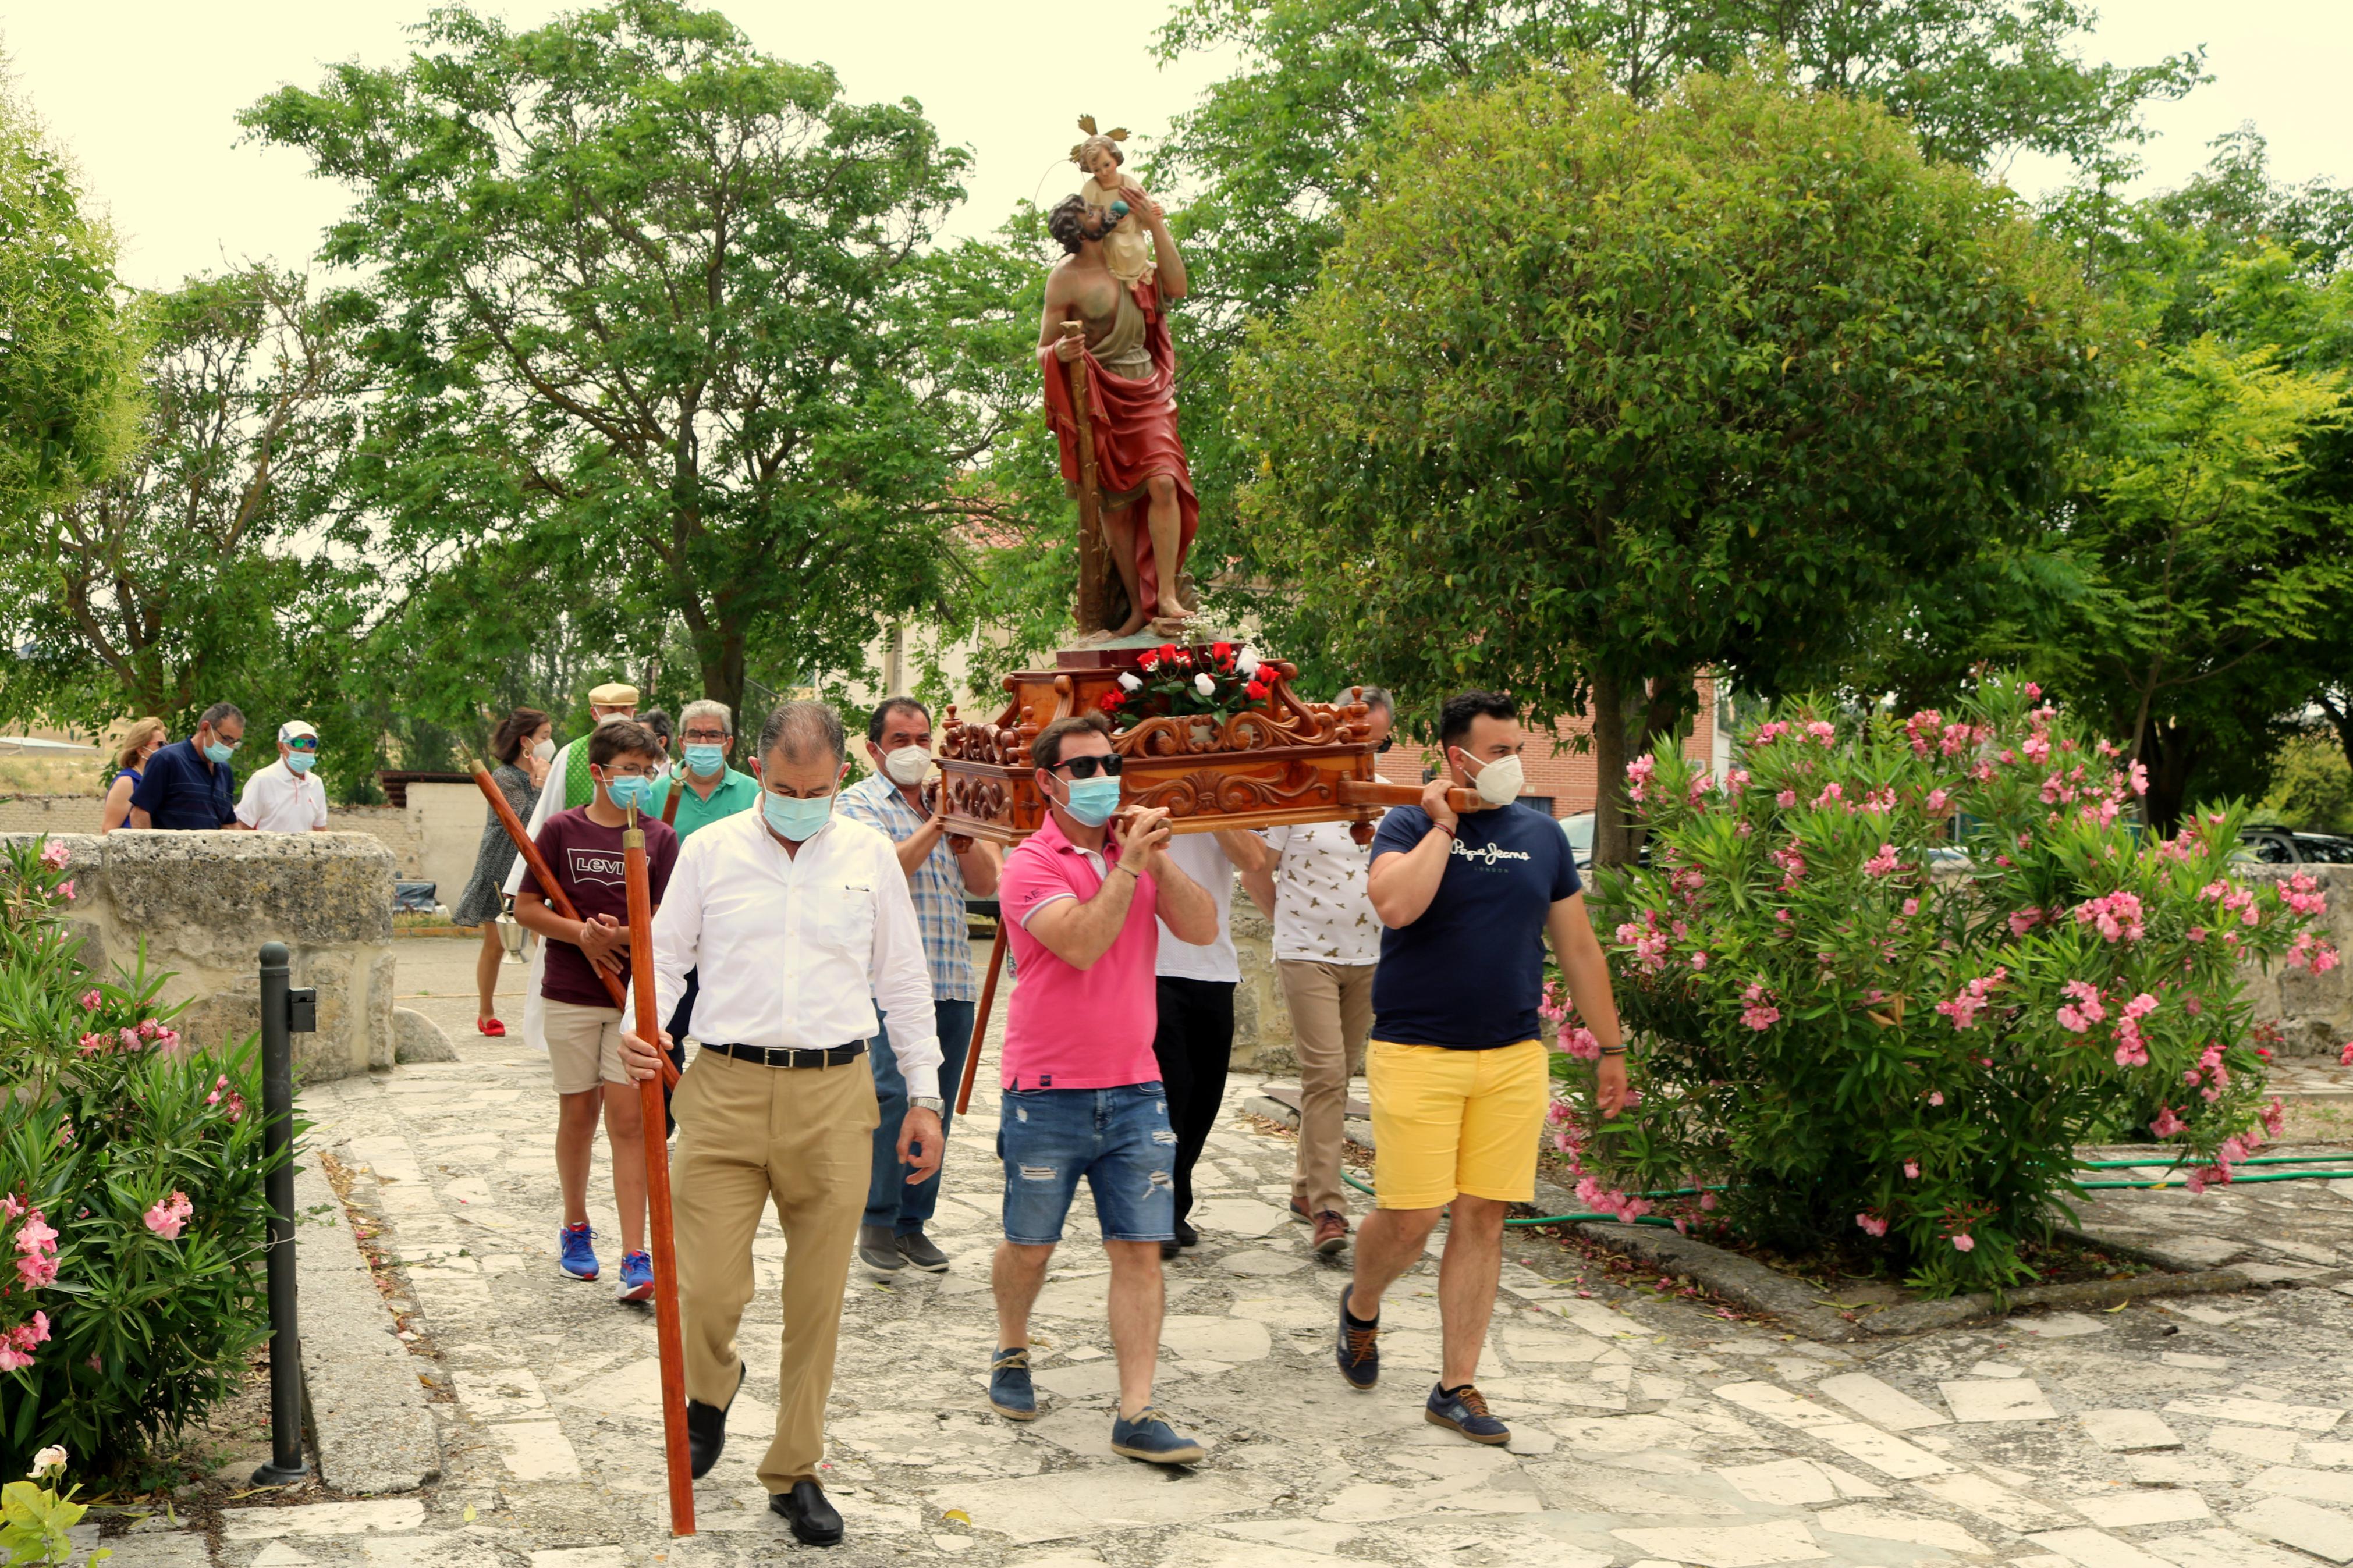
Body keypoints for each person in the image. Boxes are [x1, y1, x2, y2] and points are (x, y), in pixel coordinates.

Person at [617, 701, 942, 1549]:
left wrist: (924, 1094)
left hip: (835, 1095)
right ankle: (712, 1385)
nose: (802, 801)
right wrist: (640, 1027)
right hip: (721, 1087)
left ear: (841, 776)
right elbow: (665, 951)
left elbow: (903, 979)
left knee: (816, 1300)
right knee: (707, 1283)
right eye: (787, 786)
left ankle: (794, 1468)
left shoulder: (869, 855)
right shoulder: (709, 850)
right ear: (757, 771)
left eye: (820, 787)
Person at [1335, 689, 1629, 1448]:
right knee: (1410, 1216)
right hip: (1416, 1052)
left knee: (1481, 1216)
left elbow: (1578, 948)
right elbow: (1395, 906)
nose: (1512, 762)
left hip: (1509, 1054)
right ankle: (1362, 1302)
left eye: (1515, 747)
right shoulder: (1403, 821)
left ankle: (1454, 1382)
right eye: (1498, 752)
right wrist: (1441, 823)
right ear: (1454, 754)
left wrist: (1611, 1046)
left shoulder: (1543, 836)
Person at [984, 713, 1218, 1466]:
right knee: (1030, 1245)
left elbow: (1204, 926)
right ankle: (1012, 1347)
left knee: (1140, 1250)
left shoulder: (1135, 857)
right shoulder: (1026, 863)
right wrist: (1125, 870)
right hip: (1045, 1090)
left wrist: (1153, 860)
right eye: (1081, 767)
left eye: (1108, 763)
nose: (1099, 778)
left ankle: (1136, 1407)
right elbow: (1081, 942)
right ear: (1047, 782)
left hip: (1134, 1088)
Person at [510, 720, 679, 1307]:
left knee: (630, 1121)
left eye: (647, 770)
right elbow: (527, 908)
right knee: (578, 1113)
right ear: (601, 774)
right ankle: (576, 1226)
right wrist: (581, 934)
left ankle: (637, 1251)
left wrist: (626, 935)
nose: (639, 780)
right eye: (628, 769)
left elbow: (669, 924)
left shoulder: (660, 838)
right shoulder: (560, 829)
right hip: (570, 993)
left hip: (634, 999)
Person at [837, 696, 1002, 1278]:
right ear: (874, 747)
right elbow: (881, 873)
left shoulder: (949, 802)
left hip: (951, 976)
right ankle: (876, 1219)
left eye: (921, 738)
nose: (914, 750)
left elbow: (987, 883)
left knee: (934, 1105)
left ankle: (913, 1222)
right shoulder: (856, 805)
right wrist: (936, 825)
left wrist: (961, 834)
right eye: (900, 739)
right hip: (886, 982)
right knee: (887, 1096)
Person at [1242, 687, 1394, 1256]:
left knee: (1335, 1077)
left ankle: (1305, 1188)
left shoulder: (1386, 798)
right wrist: (1283, 921)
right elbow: (1259, 865)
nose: (1365, 748)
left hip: (1369, 956)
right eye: (1356, 737)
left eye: (1376, 740)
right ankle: (1330, 1208)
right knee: (1326, 1072)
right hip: (1306, 952)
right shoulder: (1297, 792)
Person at [1038, 185, 1197, 636]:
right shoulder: (1065, 278)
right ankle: (1138, 608)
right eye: (1090, 211)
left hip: (1146, 387)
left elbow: (1178, 286)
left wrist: (1155, 223)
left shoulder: (1127, 256)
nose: (1101, 210)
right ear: (1078, 230)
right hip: (1101, 395)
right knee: (1115, 509)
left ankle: (1166, 594)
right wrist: (1062, 352)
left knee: (1164, 482)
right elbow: (1042, 349)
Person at [1149, 824, 1269, 1261]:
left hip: (1214, 964)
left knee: (1204, 1097)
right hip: (1151, 961)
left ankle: (1174, 1196)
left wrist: (1211, 807)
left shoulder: (1230, 790)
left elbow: (1255, 859)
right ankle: (1159, 1210)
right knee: (1170, 1093)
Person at [506, 683, 641, 1058]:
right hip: (574, 890)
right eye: (610, 710)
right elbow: (547, 815)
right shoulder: (572, 754)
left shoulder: (650, 756)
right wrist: (525, 884)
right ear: (594, 712)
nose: (617, 717)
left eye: (625, 710)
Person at [644, 698, 761, 1119]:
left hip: (734, 943)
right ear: (680, 741)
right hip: (675, 939)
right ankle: (663, 1130)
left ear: (728, 742)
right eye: (696, 734)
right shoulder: (656, 794)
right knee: (666, 1038)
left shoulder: (755, 794)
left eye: (713, 735)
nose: (704, 742)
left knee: (733, 1042)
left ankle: (728, 1126)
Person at [454, 707, 552, 1037]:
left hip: (536, 866)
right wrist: (540, 783)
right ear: (526, 742)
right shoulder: (504, 777)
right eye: (545, 737)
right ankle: (486, 1011)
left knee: (547, 942)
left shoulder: (548, 774)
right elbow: (522, 821)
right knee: (496, 945)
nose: (550, 744)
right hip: (501, 864)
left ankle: (550, 1011)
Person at [129, 702, 244, 830]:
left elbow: (228, 823)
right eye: (226, 739)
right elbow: (140, 813)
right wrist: (150, 849)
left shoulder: (224, 771)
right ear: (205, 728)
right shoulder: (167, 759)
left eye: (234, 742)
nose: (229, 747)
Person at [233, 721, 331, 833]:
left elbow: (320, 829)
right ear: (281, 747)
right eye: (298, 743)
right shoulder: (263, 780)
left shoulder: (316, 783)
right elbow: (242, 828)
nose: (306, 748)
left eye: (312, 743)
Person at [100, 718, 166, 833]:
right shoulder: (126, 782)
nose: (165, 749)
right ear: (141, 750)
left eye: (167, 744)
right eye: (160, 744)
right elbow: (108, 830)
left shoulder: (159, 781)